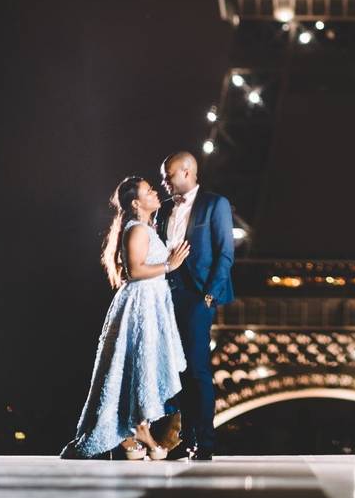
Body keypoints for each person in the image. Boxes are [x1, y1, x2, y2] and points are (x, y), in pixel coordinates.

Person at [60, 176, 191, 460]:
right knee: (138, 364)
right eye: (149, 191)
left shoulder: (145, 228)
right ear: (136, 202)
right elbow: (134, 271)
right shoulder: (137, 230)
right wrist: (170, 264)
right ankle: (138, 430)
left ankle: (134, 432)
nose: (156, 192)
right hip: (141, 304)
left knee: (139, 366)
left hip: (151, 302)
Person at [156, 152, 235, 461]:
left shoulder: (216, 204)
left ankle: (204, 442)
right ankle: (186, 439)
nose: (163, 182)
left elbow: (225, 253)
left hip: (199, 296)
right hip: (168, 295)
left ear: (186, 172)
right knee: (178, 372)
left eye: (168, 175)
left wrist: (209, 297)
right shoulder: (163, 210)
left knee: (198, 370)